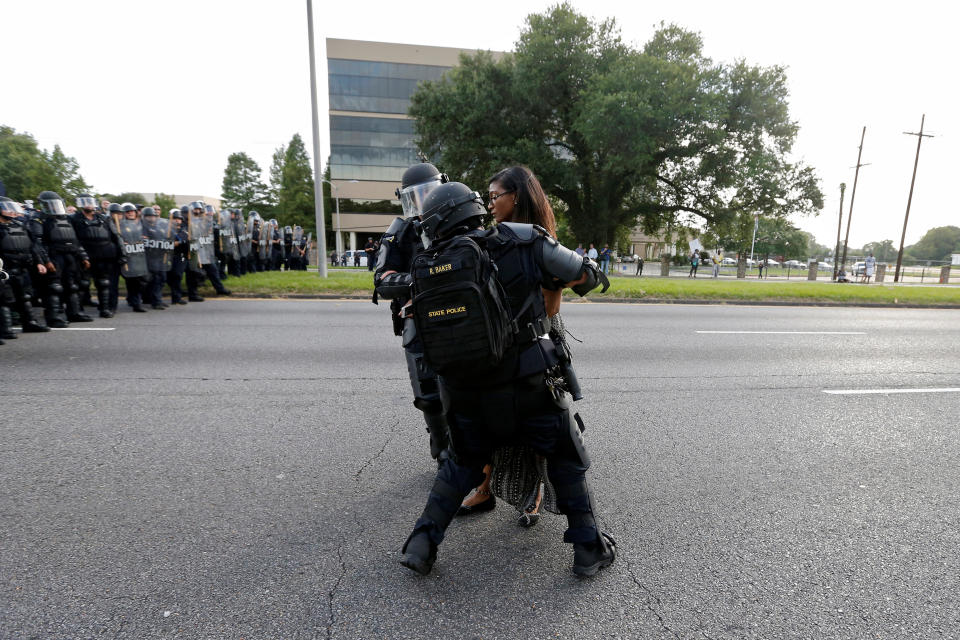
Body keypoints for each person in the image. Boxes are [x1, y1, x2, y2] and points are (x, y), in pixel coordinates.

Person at [399, 181, 616, 577]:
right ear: (475, 210)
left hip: (465, 392)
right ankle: (588, 548)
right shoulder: (523, 240)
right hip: (529, 385)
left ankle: (421, 542)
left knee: (459, 463)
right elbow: (586, 278)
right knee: (566, 457)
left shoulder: (429, 265)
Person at [373, 162, 452, 465]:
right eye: (414, 196)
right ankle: (443, 450)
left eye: (428, 192)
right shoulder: (401, 232)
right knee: (429, 394)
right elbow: (381, 280)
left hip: (460, 316)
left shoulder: (457, 220)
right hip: (417, 317)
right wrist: (418, 279)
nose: (422, 201)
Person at [34, 191, 93, 323]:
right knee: (54, 287)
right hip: (54, 256)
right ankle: (53, 317)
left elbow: (75, 240)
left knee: (72, 286)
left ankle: (74, 313)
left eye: (56, 204)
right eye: (51, 205)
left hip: (70, 256)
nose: (54, 207)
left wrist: (83, 256)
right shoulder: (40, 221)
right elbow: (38, 244)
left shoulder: (67, 219)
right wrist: (46, 261)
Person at [0, 196, 50, 333]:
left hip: (22, 268)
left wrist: (39, 262)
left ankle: (30, 323)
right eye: (6, 208)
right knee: (5, 299)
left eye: (11, 208)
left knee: (25, 297)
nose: (11, 211)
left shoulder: (20, 225)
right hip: (5, 269)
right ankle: (5, 329)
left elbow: (33, 246)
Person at [70, 194, 122, 318]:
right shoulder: (73, 219)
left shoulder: (104, 219)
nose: (89, 205)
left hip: (103, 256)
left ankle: (104, 309)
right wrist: (82, 255)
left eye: (90, 202)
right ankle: (78, 311)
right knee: (82, 284)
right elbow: (73, 239)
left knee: (103, 283)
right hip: (84, 256)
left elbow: (116, 237)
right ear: (81, 204)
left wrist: (122, 254)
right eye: (85, 202)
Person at [167, 208, 189, 305]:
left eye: (179, 219)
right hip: (167, 256)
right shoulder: (166, 230)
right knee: (166, 277)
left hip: (180, 256)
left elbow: (180, 241)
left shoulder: (184, 231)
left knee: (177, 275)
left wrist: (175, 242)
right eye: (175, 218)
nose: (177, 220)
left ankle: (176, 297)